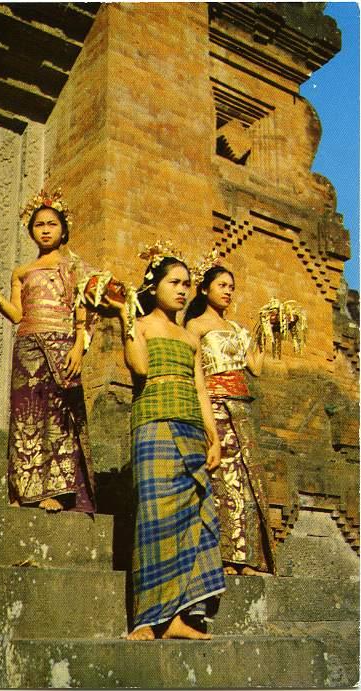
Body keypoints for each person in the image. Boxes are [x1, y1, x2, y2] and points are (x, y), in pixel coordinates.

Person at [107, 242, 225, 640]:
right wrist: (126, 316)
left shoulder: (190, 337)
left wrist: (214, 437)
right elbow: (138, 366)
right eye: (174, 282)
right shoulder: (140, 326)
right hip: (154, 426)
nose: (182, 290)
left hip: (191, 428)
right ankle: (147, 619)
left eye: (187, 284)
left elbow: (201, 388)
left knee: (193, 518)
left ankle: (179, 617)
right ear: (154, 286)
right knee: (154, 518)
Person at [0, 189, 96, 514]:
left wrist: (79, 346)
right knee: (26, 416)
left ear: (63, 230)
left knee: (57, 417)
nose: (46, 230)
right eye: (39, 225)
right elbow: (17, 315)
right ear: (31, 231)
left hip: (61, 346)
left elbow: (83, 310)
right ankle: (26, 489)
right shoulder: (21, 271)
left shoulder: (73, 266)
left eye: (52, 224)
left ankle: (57, 491)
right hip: (27, 347)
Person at [185, 256, 276, 575]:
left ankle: (247, 557)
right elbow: (194, 373)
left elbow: (256, 367)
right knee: (221, 479)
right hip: (214, 405)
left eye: (232, 287)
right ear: (205, 289)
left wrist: (267, 331)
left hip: (242, 407)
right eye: (222, 285)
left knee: (247, 482)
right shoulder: (194, 326)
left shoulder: (238, 329)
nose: (228, 292)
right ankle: (222, 557)